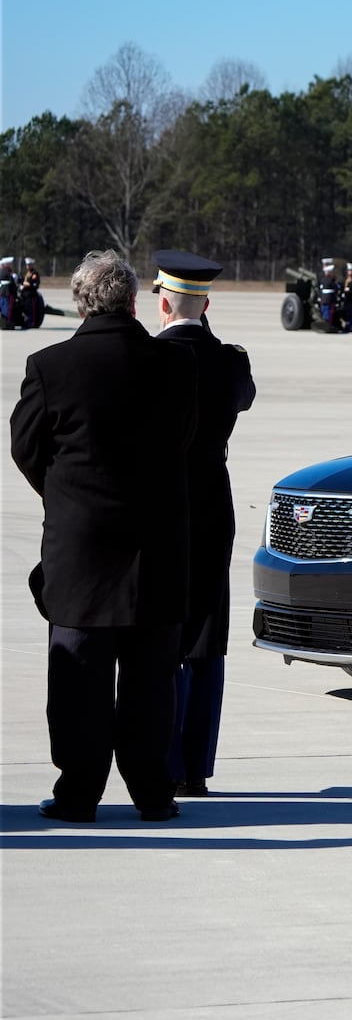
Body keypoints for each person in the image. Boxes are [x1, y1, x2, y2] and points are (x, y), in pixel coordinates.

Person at [9, 250, 197, 823]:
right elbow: (184, 443)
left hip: (81, 549)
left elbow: (25, 448)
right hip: (155, 547)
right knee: (150, 680)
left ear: (81, 301)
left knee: (78, 680)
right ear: (134, 301)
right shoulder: (176, 366)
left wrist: (65, 494)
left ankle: (79, 793)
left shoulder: (50, 366)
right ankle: (152, 793)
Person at [152, 250, 255, 797]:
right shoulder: (231, 362)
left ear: (163, 302)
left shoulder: (148, 359)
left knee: (162, 638)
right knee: (206, 640)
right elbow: (244, 396)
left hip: (161, 509)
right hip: (214, 510)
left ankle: (162, 761)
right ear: (207, 304)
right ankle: (195, 767)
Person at [19, 258, 44, 328]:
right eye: (27, 265)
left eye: (29, 265)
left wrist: (24, 283)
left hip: (31, 294)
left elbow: (32, 283)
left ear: (32, 265)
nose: (28, 266)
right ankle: (26, 322)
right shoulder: (27, 273)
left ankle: (30, 323)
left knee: (31, 310)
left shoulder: (34, 273)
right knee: (25, 309)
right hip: (25, 294)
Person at [317, 257, 340, 329]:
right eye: (326, 264)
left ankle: (327, 324)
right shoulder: (322, 275)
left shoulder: (328, 277)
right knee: (328, 312)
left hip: (324, 298)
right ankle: (327, 324)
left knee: (326, 311)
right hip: (328, 298)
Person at [0, 256, 16, 330]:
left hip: (2, 292)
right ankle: (8, 324)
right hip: (7, 292)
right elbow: (12, 283)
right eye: (10, 264)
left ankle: (4, 324)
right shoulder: (7, 271)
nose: (11, 265)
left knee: (3, 308)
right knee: (8, 309)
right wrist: (14, 292)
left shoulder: (2, 271)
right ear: (7, 264)